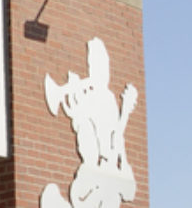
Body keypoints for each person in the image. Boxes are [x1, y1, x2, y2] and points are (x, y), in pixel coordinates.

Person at [41, 37, 137, 208]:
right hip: (92, 175)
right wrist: (72, 95)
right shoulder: (88, 95)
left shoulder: (109, 98)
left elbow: (116, 135)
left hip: (104, 175)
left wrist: (125, 112)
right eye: (96, 65)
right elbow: (84, 125)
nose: (102, 71)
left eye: (103, 65)